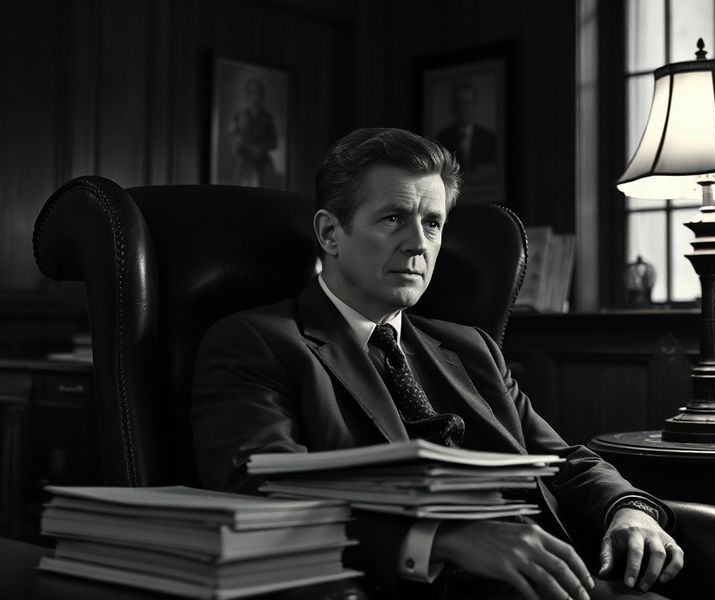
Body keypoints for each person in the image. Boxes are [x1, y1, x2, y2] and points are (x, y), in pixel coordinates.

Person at [191, 128, 684, 600]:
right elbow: (264, 495)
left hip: (559, 575)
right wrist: (440, 540)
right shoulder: (256, 342)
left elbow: (561, 461)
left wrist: (630, 509)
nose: (418, 244)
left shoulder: (471, 348)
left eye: (432, 223)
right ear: (330, 232)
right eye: (392, 219)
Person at [435, 80, 499, 186]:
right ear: (453, 106)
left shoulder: (490, 138)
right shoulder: (442, 138)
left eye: (466, 103)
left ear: (475, 105)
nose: (462, 109)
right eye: (458, 103)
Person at [227, 77, 280, 188]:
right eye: (252, 93)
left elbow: (273, 141)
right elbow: (233, 137)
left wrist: (260, 147)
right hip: (244, 163)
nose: (255, 96)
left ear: (262, 96)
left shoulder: (267, 118)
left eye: (258, 93)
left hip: (261, 164)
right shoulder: (240, 115)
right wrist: (240, 145)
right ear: (248, 95)